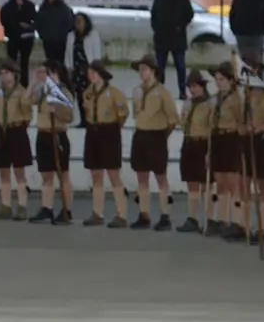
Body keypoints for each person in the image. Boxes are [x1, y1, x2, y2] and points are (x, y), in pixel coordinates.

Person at [129, 54, 178, 231]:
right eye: (140, 70)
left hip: (157, 135)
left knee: (160, 177)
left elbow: (173, 118)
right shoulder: (137, 91)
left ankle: (166, 215)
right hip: (141, 134)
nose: (141, 73)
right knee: (141, 176)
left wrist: (163, 135)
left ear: (153, 71)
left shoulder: (163, 92)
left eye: (144, 70)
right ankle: (144, 213)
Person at [80, 60, 130, 228]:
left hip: (109, 131)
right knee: (95, 173)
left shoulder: (114, 93)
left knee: (113, 173)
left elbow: (123, 114)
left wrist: (114, 128)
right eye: (89, 73)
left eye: (94, 73)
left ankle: (122, 214)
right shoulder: (87, 93)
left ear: (101, 74)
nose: (91, 76)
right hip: (93, 131)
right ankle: (97, 213)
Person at [0, 59, 35, 221]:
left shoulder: (22, 92)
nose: (3, 76)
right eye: (1, 73)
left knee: (19, 171)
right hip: (3, 129)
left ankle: (22, 206)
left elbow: (28, 114)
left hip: (17, 130)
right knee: (3, 170)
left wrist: (19, 124)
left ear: (14, 74)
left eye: (6, 73)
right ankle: (5, 205)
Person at [29, 60, 75, 224]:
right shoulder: (42, 92)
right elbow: (27, 100)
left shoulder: (63, 93)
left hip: (58, 135)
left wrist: (56, 110)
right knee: (46, 174)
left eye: (48, 73)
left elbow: (69, 117)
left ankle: (66, 209)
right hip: (43, 134)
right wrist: (34, 82)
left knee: (63, 174)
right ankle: (46, 208)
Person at [241, 50, 264, 244]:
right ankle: (245, 225)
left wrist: (259, 127)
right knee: (244, 182)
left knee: (262, 182)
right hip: (247, 139)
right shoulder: (244, 93)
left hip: (262, 139)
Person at [209, 61, 245, 240]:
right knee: (220, 179)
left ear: (231, 80)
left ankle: (237, 222)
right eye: (216, 79)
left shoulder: (236, 98)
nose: (218, 82)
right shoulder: (215, 98)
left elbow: (241, 121)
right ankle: (222, 220)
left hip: (231, 137)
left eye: (222, 79)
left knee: (232, 181)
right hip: (217, 137)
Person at [177, 69, 213, 233]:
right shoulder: (188, 103)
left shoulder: (210, 104)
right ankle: (192, 218)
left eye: (196, 86)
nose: (193, 90)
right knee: (191, 182)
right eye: (190, 86)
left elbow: (212, 128)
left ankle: (209, 219)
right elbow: (183, 122)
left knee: (206, 184)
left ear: (203, 86)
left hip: (203, 143)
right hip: (189, 142)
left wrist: (210, 151)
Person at [150, 0, 194, 99]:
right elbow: (153, 15)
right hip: (161, 38)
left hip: (177, 38)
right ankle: (159, 92)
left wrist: (180, 26)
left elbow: (189, 14)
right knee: (159, 67)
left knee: (180, 66)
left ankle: (182, 91)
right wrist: (156, 28)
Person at [66, 12, 103, 126]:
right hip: (77, 70)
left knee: (91, 94)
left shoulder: (93, 35)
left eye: (80, 21)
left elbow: (97, 52)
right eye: (76, 21)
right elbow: (68, 53)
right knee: (80, 95)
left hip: (89, 69)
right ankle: (83, 119)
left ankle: (92, 118)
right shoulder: (71, 36)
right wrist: (69, 68)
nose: (78, 23)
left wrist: (96, 68)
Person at [0, 0, 37, 86]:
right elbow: (5, 20)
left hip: (27, 38)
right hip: (13, 37)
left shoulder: (29, 5)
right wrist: (17, 17)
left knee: (24, 63)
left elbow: (34, 20)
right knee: (12, 62)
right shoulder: (8, 6)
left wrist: (28, 25)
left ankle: (24, 85)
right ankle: (12, 84)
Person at [36, 0, 74, 65]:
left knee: (60, 63)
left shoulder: (63, 8)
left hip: (61, 41)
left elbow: (69, 23)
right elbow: (38, 23)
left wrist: (63, 34)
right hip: (48, 41)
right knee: (50, 62)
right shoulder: (43, 8)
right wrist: (42, 35)